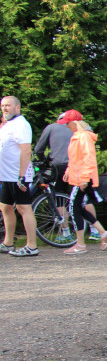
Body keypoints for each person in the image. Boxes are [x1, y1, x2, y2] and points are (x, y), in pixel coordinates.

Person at [62, 120, 107, 254]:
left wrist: (84, 179)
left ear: (74, 123)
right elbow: (75, 159)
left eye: (67, 123)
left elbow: (88, 158)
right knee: (78, 208)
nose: (66, 126)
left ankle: (80, 244)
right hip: (80, 178)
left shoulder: (83, 136)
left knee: (73, 208)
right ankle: (103, 233)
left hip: (83, 179)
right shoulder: (79, 136)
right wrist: (68, 171)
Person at [34, 108, 84, 242]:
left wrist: (43, 160)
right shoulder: (81, 130)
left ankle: (66, 232)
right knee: (82, 197)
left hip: (59, 166)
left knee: (59, 198)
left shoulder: (51, 128)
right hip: (78, 166)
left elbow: (38, 149)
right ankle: (95, 230)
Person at [0, 95, 38, 256]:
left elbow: (26, 150)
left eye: (8, 105)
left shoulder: (21, 125)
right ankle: (8, 243)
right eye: (2, 106)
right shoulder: (8, 125)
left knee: (23, 208)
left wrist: (21, 176)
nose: (4, 108)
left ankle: (31, 246)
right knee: (5, 207)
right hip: (7, 175)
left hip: (18, 176)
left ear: (17, 107)